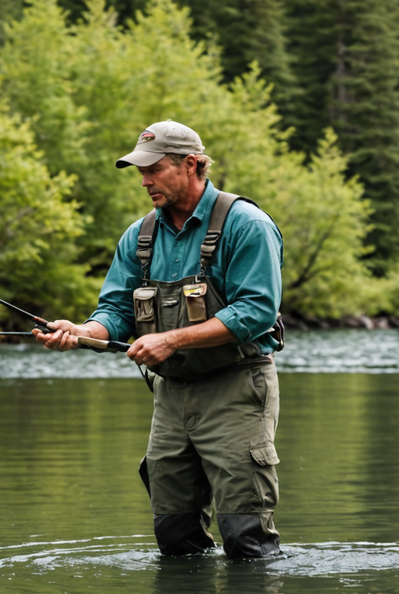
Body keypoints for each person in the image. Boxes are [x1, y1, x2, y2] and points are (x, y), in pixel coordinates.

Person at [33, 120, 284, 559]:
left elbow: (256, 312)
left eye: (154, 169)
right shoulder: (139, 236)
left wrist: (171, 340)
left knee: (246, 537)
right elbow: (115, 312)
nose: (145, 180)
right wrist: (82, 333)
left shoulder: (247, 224)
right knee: (174, 537)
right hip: (171, 398)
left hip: (236, 389)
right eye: (140, 172)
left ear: (191, 165)